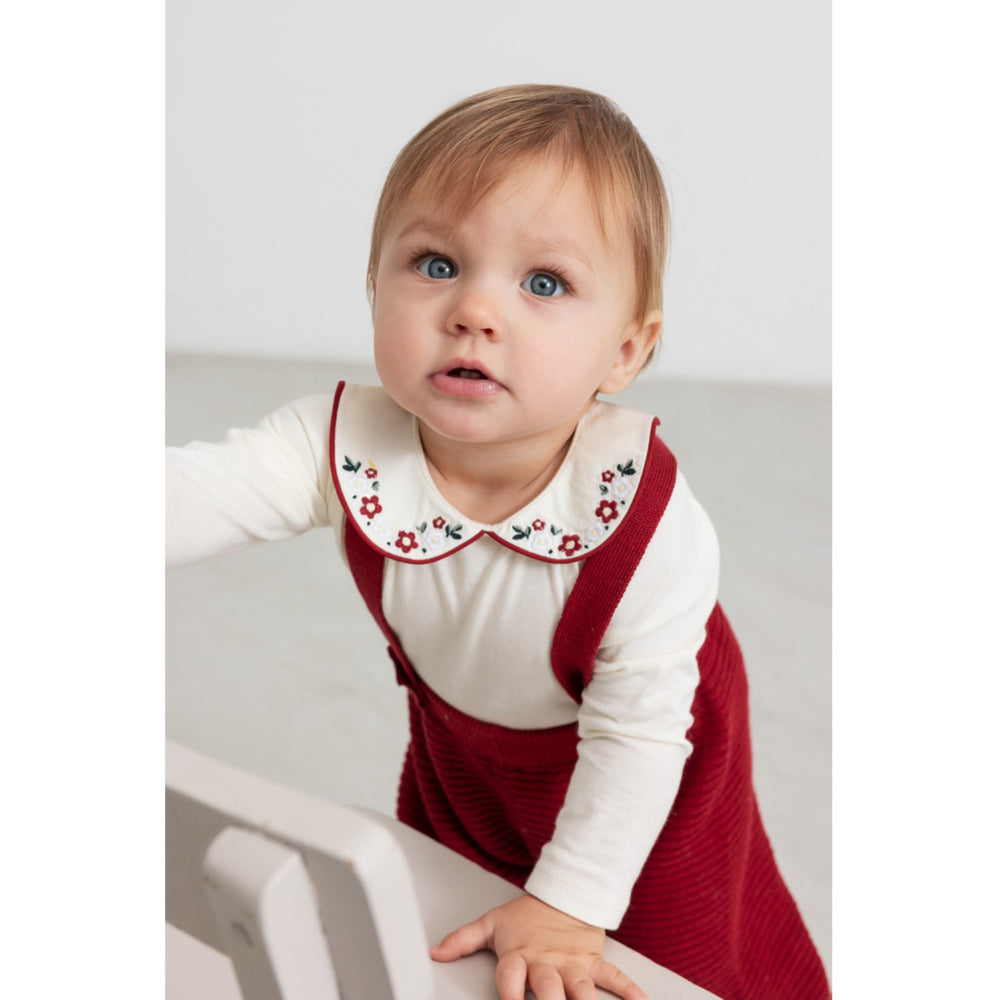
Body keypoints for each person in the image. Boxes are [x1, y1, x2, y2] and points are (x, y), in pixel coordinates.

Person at [167, 84, 830, 1000]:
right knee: (451, 921)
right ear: (373, 288)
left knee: (646, 952)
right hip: (467, 748)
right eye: (436, 264)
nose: (475, 308)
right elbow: (196, 493)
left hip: (646, 747)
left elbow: (639, 737)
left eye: (543, 284)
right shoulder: (341, 445)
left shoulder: (643, 524)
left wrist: (569, 903)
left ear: (625, 351)